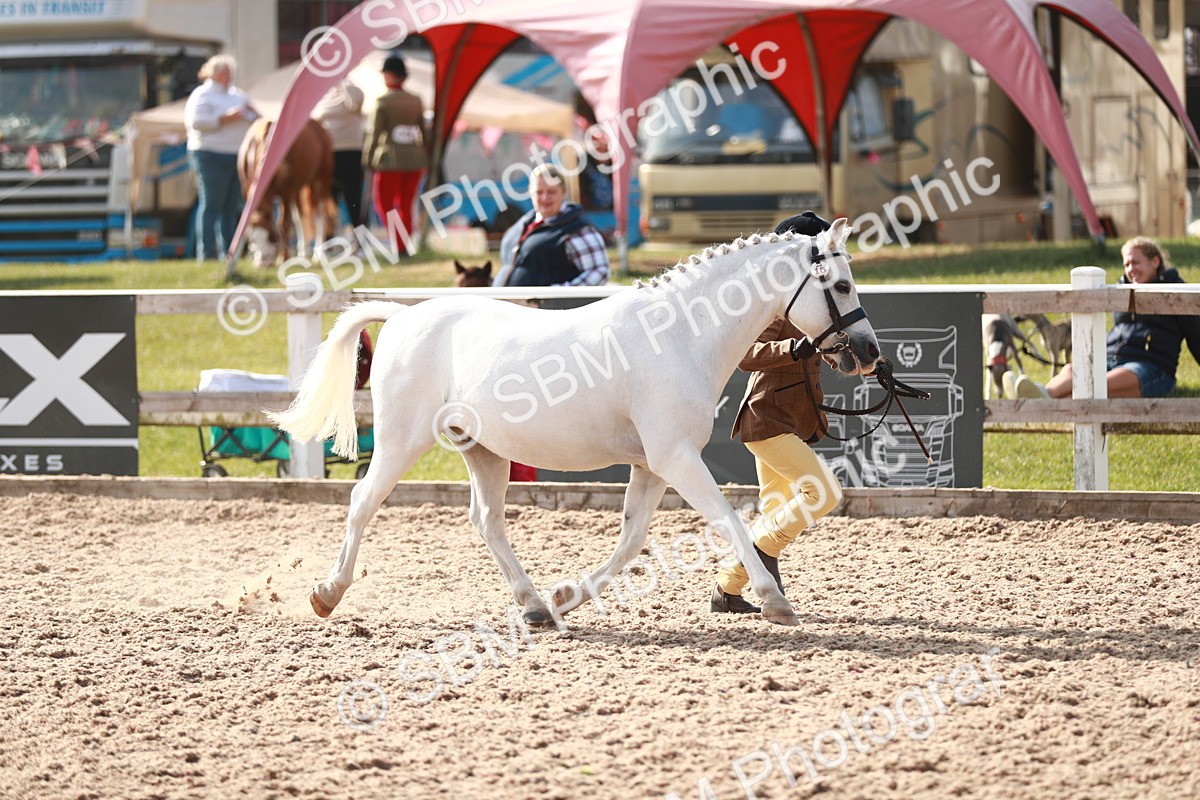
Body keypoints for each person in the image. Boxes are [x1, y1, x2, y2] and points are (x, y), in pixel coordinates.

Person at [711, 211, 845, 614]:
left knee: (774, 511)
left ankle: (727, 589)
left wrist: (865, 363)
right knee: (823, 492)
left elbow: (825, 349)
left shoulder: (811, 303)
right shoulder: (772, 307)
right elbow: (745, 355)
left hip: (790, 419)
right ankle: (759, 555)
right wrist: (793, 349)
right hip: (767, 419)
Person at [1011, 236, 1200, 399]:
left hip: (1150, 368)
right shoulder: (1120, 293)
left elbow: (1196, 336)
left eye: (1135, 262)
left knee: (1097, 384)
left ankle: (1038, 399)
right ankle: (1043, 393)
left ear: (1155, 261)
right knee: (1071, 370)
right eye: (1126, 264)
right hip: (1108, 361)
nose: (1130, 269)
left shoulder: (1176, 293)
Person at [184, 54, 258, 261]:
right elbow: (196, 122)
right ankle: (206, 254)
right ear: (214, 73)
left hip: (236, 155)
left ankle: (229, 253)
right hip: (209, 155)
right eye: (225, 72)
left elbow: (256, 117)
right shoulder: (202, 94)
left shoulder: (239, 95)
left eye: (230, 72)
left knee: (230, 206)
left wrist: (251, 113)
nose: (229, 76)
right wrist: (225, 118)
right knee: (211, 204)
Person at [492, 163, 611, 287]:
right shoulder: (523, 224)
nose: (545, 198)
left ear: (563, 192)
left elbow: (599, 271)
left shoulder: (577, 229)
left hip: (547, 300)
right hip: (506, 299)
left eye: (551, 192)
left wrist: (560, 293)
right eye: (539, 192)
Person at [362, 53, 428, 254]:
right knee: (406, 205)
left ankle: (399, 244)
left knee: (383, 204)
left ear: (390, 75)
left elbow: (375, 133)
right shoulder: (416, 100)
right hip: (416, 160)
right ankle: (404, 244)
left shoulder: (382, 101)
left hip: (389, 160)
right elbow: (424, 132)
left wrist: (368, 158)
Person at [313, 79, 366, 230]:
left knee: (353, 195)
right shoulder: (322, 96)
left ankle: (358, 233)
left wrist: (342, 80)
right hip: (328, 154)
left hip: (351, 151)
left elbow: (356, 101)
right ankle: (329, 235)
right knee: (329, 196)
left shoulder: (351, 90)